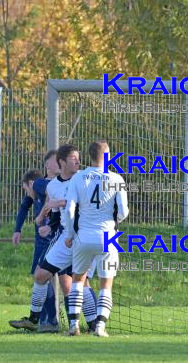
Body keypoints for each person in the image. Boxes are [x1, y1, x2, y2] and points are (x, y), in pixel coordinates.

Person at [9, 144, 97, 333]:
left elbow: (87, 204)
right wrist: (49, 225)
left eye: (78, 157)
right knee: (40, 274)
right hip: (65, 237)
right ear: (61, 162)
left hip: (84, 235)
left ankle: (94, 324)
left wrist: (60, 202)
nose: (78, 161)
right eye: (74, 158)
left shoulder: (85, 178)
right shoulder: (54, 186)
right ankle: (34, 319)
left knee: (80, 281)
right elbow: (57, 216)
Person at [64, 140, 129, 337]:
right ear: (107, 156)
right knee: (105, 283)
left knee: (77, 280)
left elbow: (69, 209)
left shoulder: (78, 178)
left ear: (89, 156)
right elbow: (124, 212)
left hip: (83, 236)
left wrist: (70, 234)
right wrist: (113, 219)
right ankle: (100, 327)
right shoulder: (116, 178)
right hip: (107, 237)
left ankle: (73, 325)